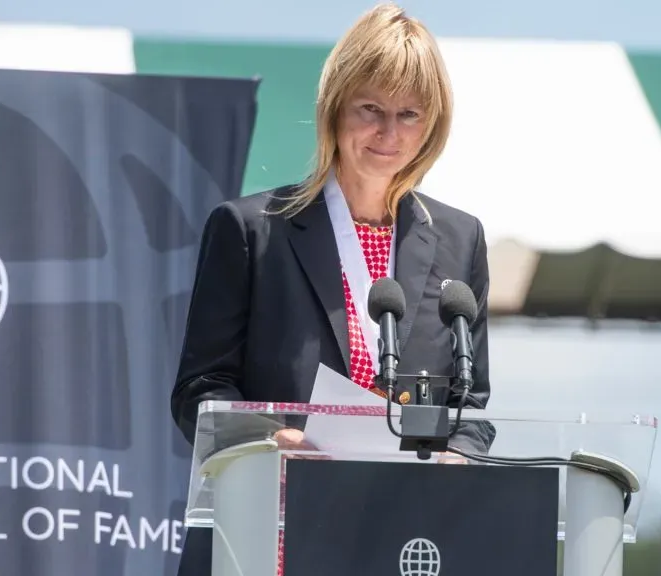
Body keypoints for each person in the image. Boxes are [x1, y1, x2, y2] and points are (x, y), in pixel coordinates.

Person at [170, 3, 494, 575]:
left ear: (433, 124)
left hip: (404, 540)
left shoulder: (460, 240)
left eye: (410, 114)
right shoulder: (252, 230)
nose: (389, 133)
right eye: (371, 108)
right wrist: (275, 440)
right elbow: (200, 391)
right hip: (266, 533)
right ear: (335, 107)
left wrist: (457, 458)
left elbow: (470, 404)